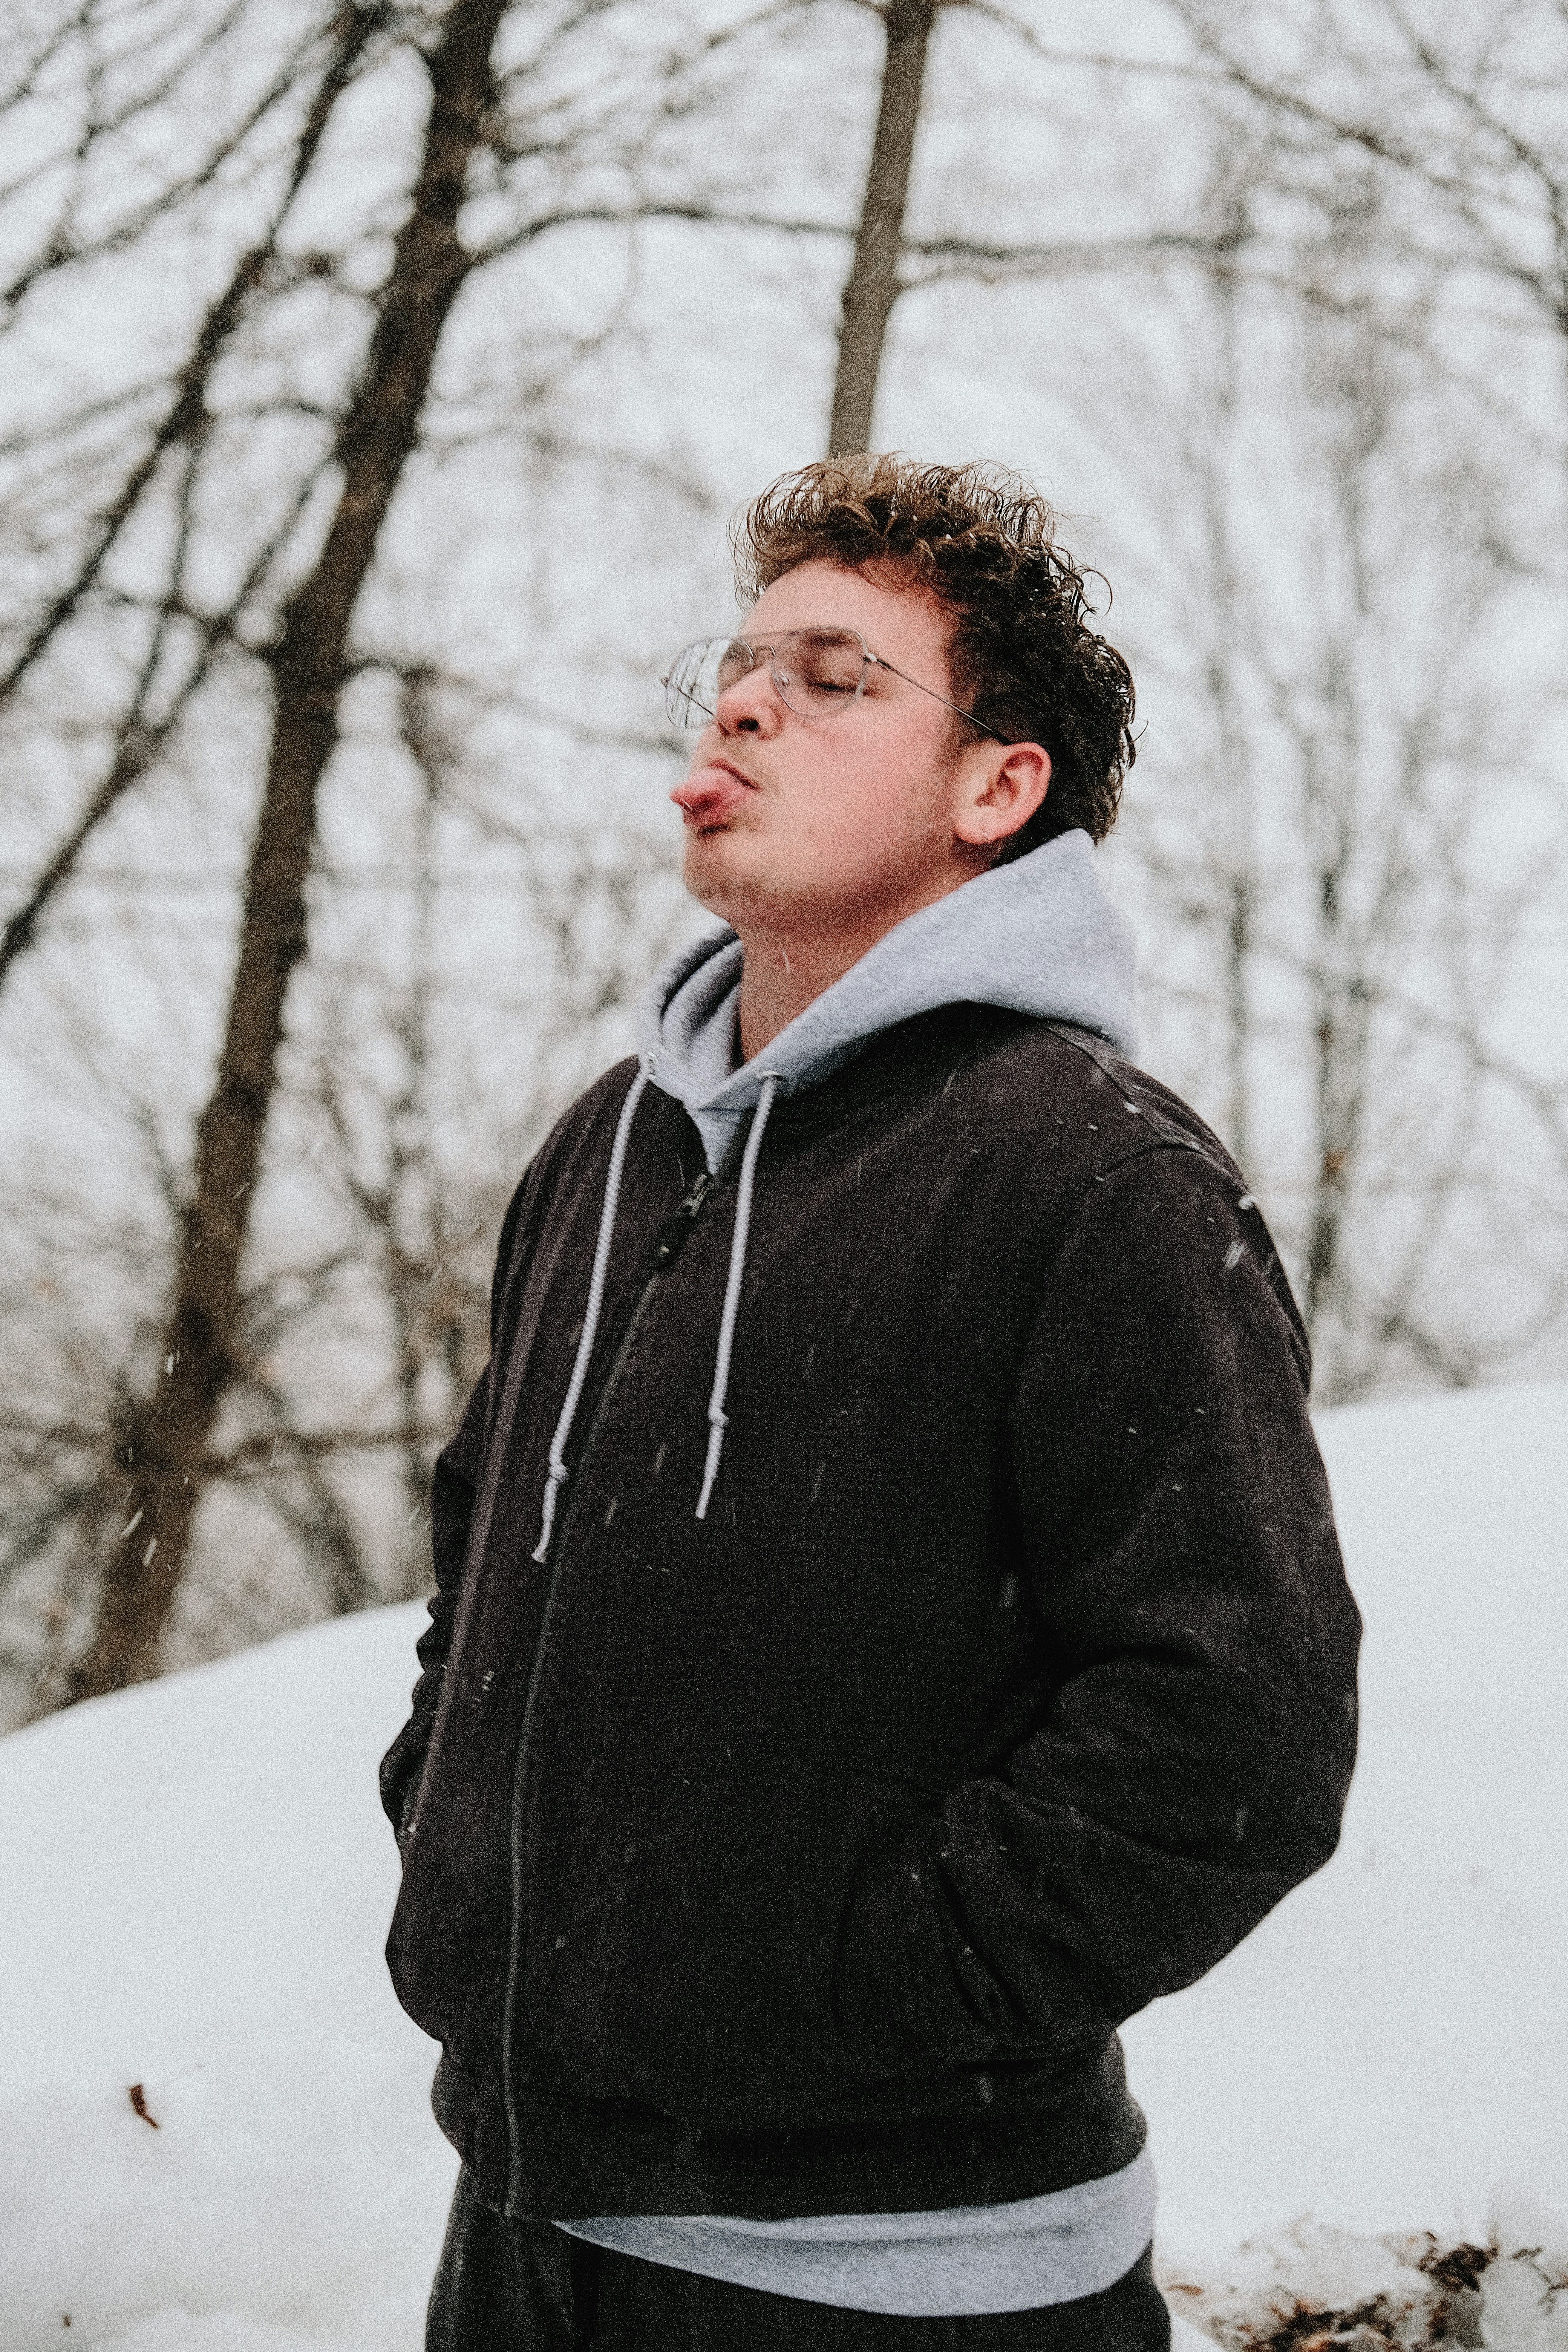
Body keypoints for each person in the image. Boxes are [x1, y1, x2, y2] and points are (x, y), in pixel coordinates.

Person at [381, 455, 1361, 2351]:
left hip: (903, 2287)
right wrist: (457, 1839)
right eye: (738, 670)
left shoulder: (1091, 1173)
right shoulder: (610, 1146)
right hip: (525, 2233)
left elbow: (1228, 1744)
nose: (743, 703)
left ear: (998, 789)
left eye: (836, 679)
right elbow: (474, 1567)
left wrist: (835, 1988)